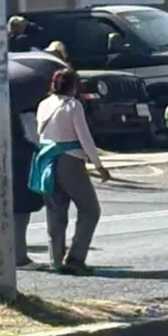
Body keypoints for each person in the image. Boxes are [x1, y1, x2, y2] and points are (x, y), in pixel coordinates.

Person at [30, 68, 110, 275]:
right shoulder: (73, 106)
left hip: (47, 159)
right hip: (71, 160)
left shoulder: (43, 104)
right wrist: (98, 165)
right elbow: (84, 137)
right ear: (74, 85)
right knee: (90, 209)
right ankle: (76, 257)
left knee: (56, 212)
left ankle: (55, 260)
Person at [12, 110, 47, 268]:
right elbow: (35, 138)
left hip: (7, 161)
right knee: (20, 212)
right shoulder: (24, 113)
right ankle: (19, 256)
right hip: (23, 163)